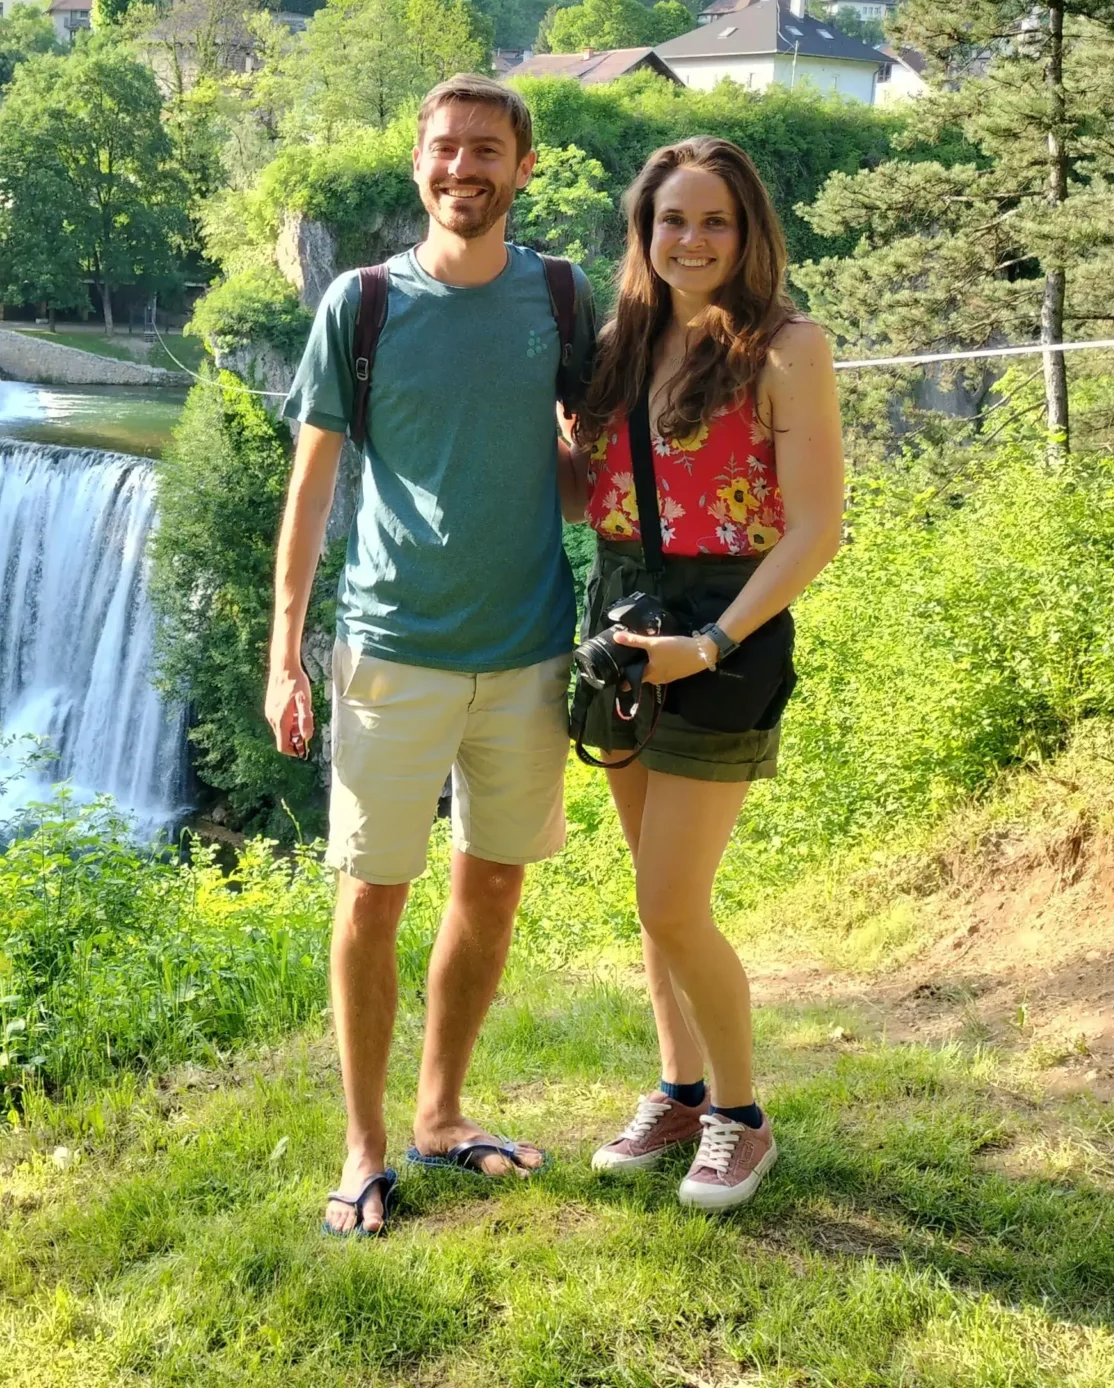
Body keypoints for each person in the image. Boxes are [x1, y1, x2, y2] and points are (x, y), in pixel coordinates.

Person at [268, 73, 593, 1237]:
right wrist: (284, 653)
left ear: (524, 167)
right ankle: (363, 1146)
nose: (466, 169)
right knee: (370, 899)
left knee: (493, 881)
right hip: (390, 649)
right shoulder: (358, 307)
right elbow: (310, 492)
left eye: (488, 151)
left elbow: (575, 471)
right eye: (447, 149)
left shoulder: (559, 298)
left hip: (526, 649)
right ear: (419, 165)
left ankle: (441, 1116)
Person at [571, 136, 844, 1211]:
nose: (690, 240)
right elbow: (576, 495)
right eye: (670, 220)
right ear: (643, 231)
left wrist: (717, 642)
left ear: (748, 234)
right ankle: (678, 1088)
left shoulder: (786, 348)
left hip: (724, 626)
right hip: (625, 612)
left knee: (670, 897)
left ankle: (740, 1117)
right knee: (655, 899)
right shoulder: (620, 343)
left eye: (714, 221)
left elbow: (814, 527)